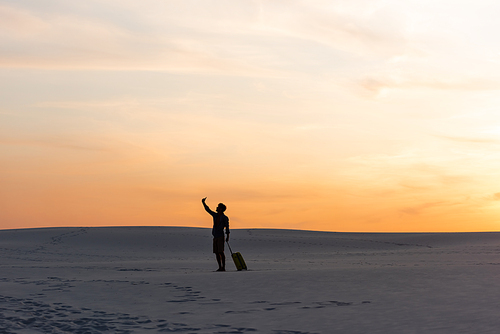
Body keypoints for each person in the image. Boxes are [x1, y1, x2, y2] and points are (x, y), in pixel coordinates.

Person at [202, 197, 230, 271]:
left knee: (221, 252)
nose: (216, 208)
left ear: (221, 209)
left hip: (221, 236)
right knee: (217, 252)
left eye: (218, 207)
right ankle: (220, 267)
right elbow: (207, 210)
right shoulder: (215, 215)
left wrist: (228, 236)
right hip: (215, 236)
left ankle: (223, 267)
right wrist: (203, 203)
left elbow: (227, 227)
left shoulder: (224, 218)